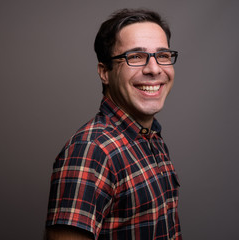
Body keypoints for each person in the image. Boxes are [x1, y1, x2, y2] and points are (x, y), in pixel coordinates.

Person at [45, 8, 182, 240]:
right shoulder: (91, 151)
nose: (154, 69)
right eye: (135, 57)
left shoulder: (151, 138)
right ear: (104, 72)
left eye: (163, 55)